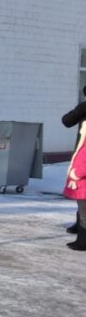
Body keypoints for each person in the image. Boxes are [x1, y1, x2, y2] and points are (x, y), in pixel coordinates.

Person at [62, 88, 86, 241]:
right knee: (81, 191)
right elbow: (67, 121)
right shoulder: (84, 108)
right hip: (82, 153)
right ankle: (80, 224)